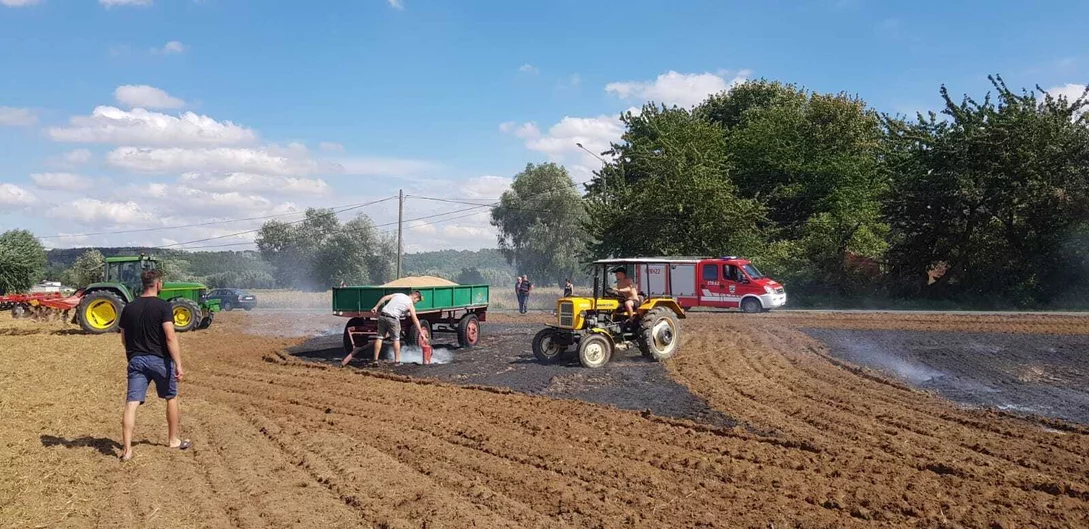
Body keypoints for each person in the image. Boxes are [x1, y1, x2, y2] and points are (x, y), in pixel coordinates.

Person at [118, 269, 190, 462]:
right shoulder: (163, 306)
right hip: (160, 361)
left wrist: (132, 357)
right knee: (171, 397)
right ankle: (173, 440)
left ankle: (127, 449)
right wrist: (178, 364)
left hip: (136, 360)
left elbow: (124, 338)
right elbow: (169, 336)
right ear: (158, 284)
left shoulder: (129, 307)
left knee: (131, 403)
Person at [341, 290, 427, 366]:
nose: (416, 302)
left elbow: (385, 298)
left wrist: (376, 307)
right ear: (415, 296)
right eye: (417, 301)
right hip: (393, 319)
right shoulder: (410, 303)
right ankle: (397, 362)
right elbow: (415, 319)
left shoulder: (399, 295)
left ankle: (375, 360)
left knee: (379, 338)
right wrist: (421, 332)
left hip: (382, 316)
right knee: (396, 339)